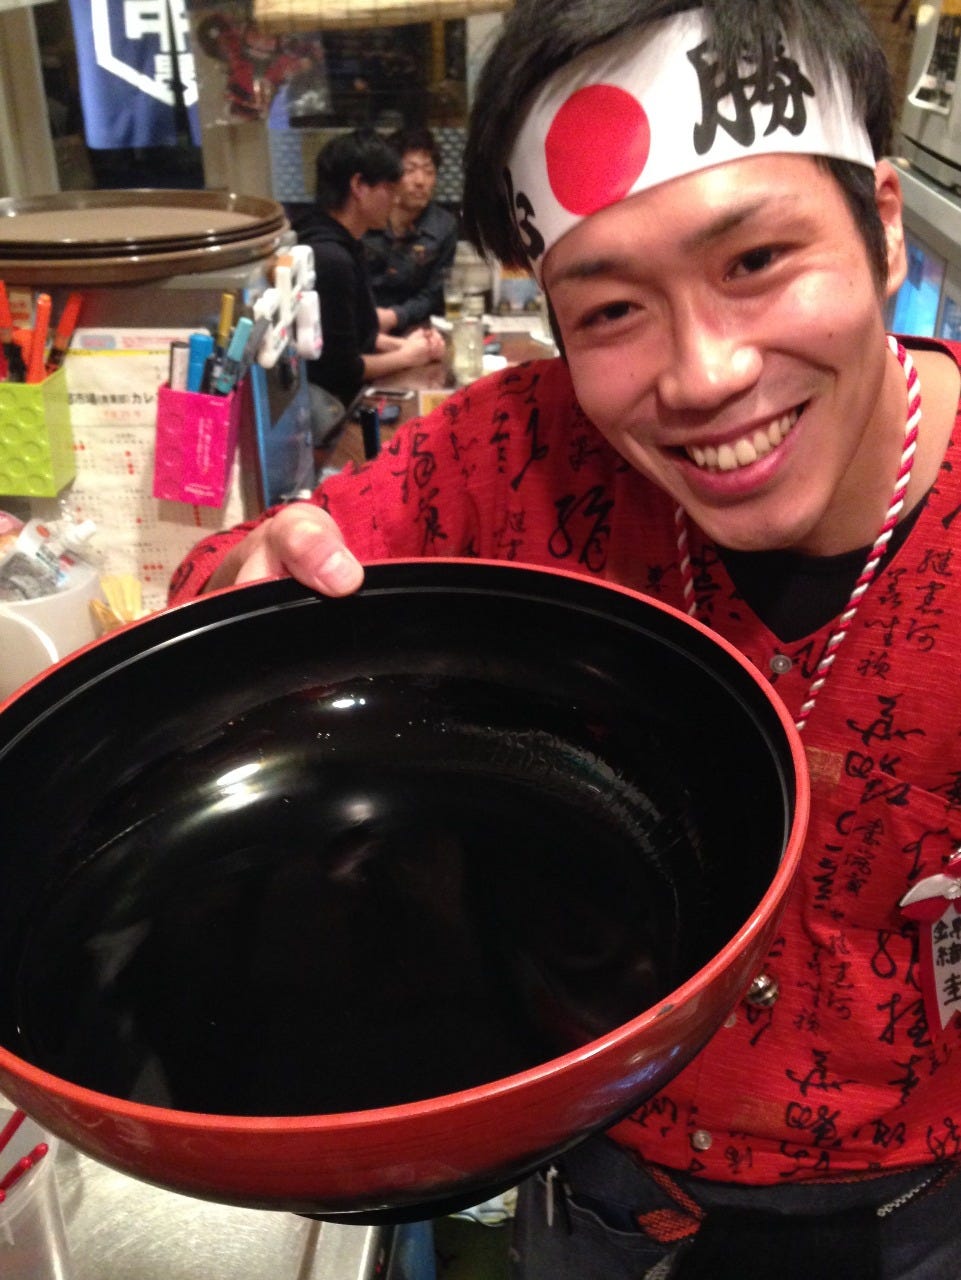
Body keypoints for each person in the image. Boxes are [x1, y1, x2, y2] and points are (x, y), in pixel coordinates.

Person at [170, 2, 961, 1274]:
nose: (701, 376)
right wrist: (245, 577)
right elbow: (235, 572)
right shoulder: (515, 453)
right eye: (608, 312)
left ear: (879, 224)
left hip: (919, 1195)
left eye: (756, 260)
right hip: (602, 1170)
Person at [290, 127, 445, 409]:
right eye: (389, 189)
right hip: (327, 406)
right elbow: (341, 370)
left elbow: (356, 337)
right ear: (359, 186)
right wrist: (407, 356)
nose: (395, 199)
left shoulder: (343, 241)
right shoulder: (330, 258)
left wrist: (409, 345)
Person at [362, 126, 459, 334]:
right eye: (410, 170)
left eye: (429, 172)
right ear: (390, 176)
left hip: (416, 329)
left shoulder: (443, 227)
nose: (420, 181)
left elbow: (434, 294)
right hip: (361, 324)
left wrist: (394, 317)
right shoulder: (367, 217)